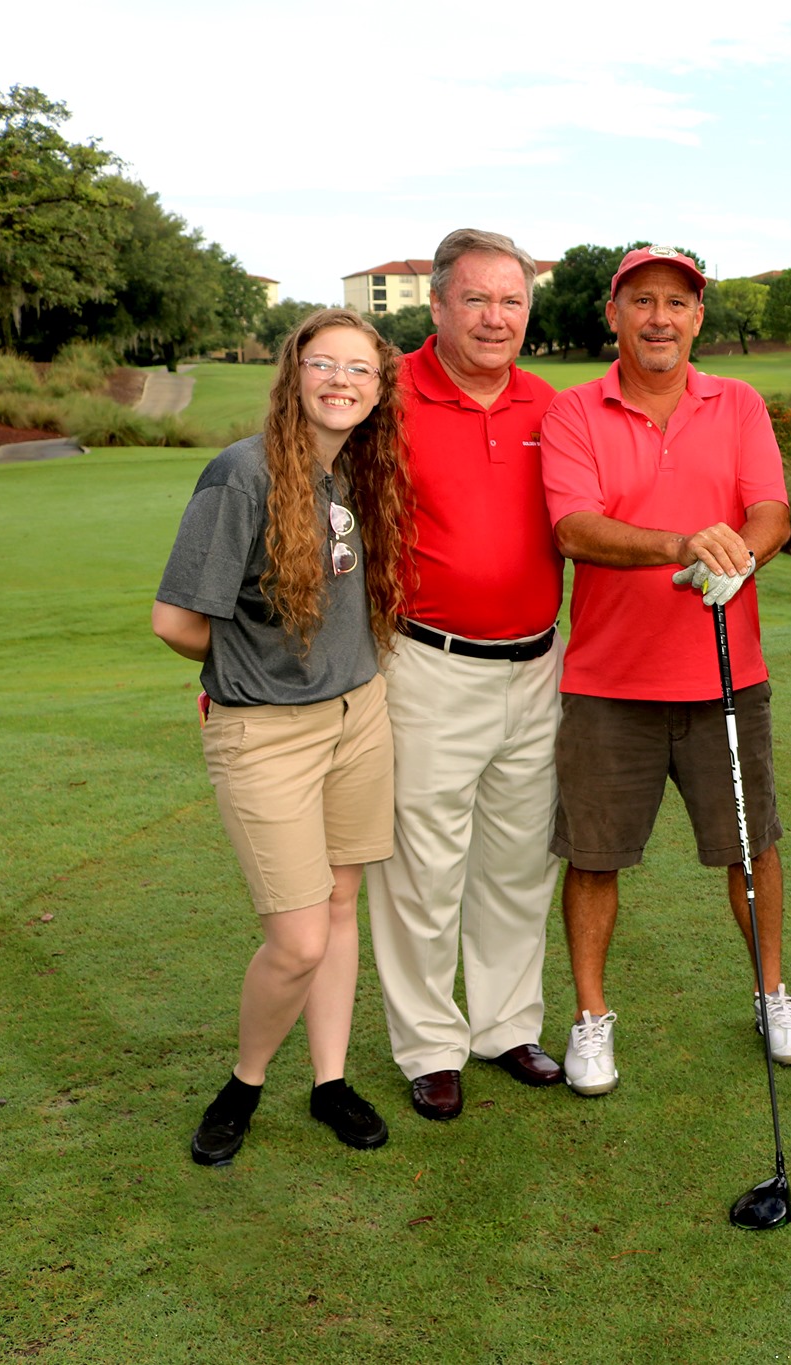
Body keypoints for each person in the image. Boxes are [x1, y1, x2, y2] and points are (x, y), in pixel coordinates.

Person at [541, 246, 791, 1097]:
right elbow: (574, 527)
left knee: (751, 848)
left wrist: (741, 556)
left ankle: (771, 992)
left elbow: (771, 511)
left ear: (697, 318)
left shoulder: (738, 403)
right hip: (607, 682)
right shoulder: (575, 410)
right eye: (643, 301)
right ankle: (591, 1016)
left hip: (726, 677)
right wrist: (682, 544)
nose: (660, 318)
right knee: (593, 856)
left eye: (677, 303)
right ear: (613, 314)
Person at [155, 307, 411, 1164]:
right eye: (323, 363)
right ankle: (245, 1082)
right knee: (297, 939)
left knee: (340, 907)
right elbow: (174, 621)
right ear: (293, 373)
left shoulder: (352, 472)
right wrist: (251, 673)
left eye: (360, 369)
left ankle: (329, 1082)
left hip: (357, 718)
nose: (341, 381)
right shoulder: (242, 475)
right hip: (264, 733)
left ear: (378, 390)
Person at [363, 229, 567, 1123]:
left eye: (511, 300)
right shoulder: (387, 394)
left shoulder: (549, 404)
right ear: (438, 304)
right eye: (476, 299)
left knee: (520, 861)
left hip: (537, 664)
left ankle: (505, 1026)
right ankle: (429, 1045)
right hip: (428, 663)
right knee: (424, 866)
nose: (495, 317)